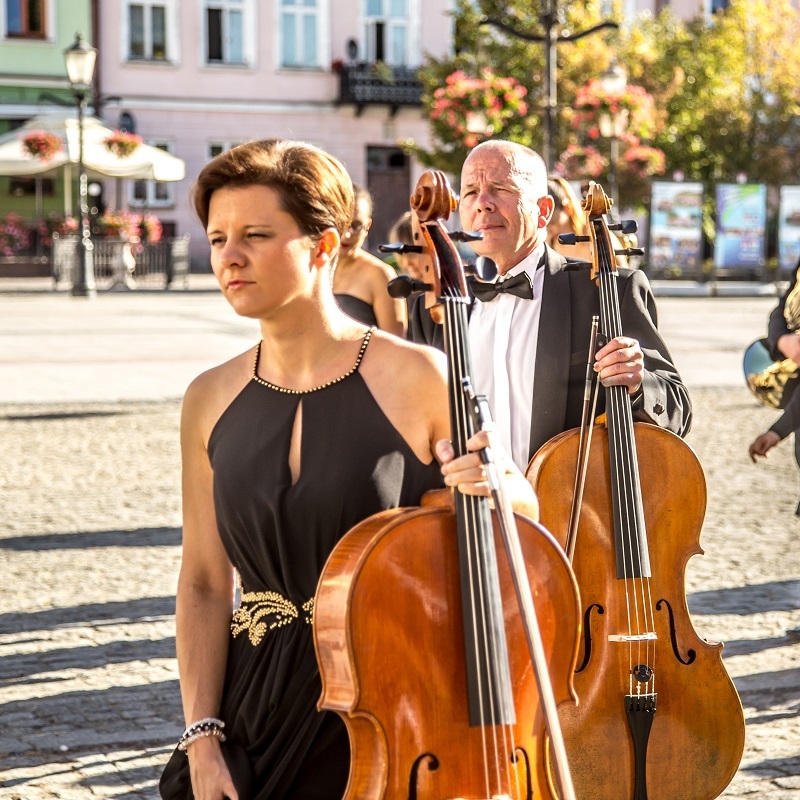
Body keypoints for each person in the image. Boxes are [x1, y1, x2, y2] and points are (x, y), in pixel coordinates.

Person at [158, 138, 538, 800]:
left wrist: (495, 481)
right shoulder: (208, 399)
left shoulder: (417, 374)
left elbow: (523, 510)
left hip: (389, 708)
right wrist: (202, 737)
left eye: (255, 234)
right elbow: (203, 584)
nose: (230, 257)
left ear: (324, 246)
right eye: (218, 238)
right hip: (254, 714)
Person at [409, 139, 691, 471]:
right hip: (466, 514)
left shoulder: (609, 290)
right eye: (470, 192)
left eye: (500, 189)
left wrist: (639, 382)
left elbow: (678, 411)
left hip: (567, 513)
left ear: (543, 211)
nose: (482, 203)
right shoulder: (434, 306)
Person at [332, 183, 407, 335]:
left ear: (368, 225)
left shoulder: (381, 275)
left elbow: (395, 346)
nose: (347, 234)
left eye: (356, 225)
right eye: (340, 224)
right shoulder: (311, 268)